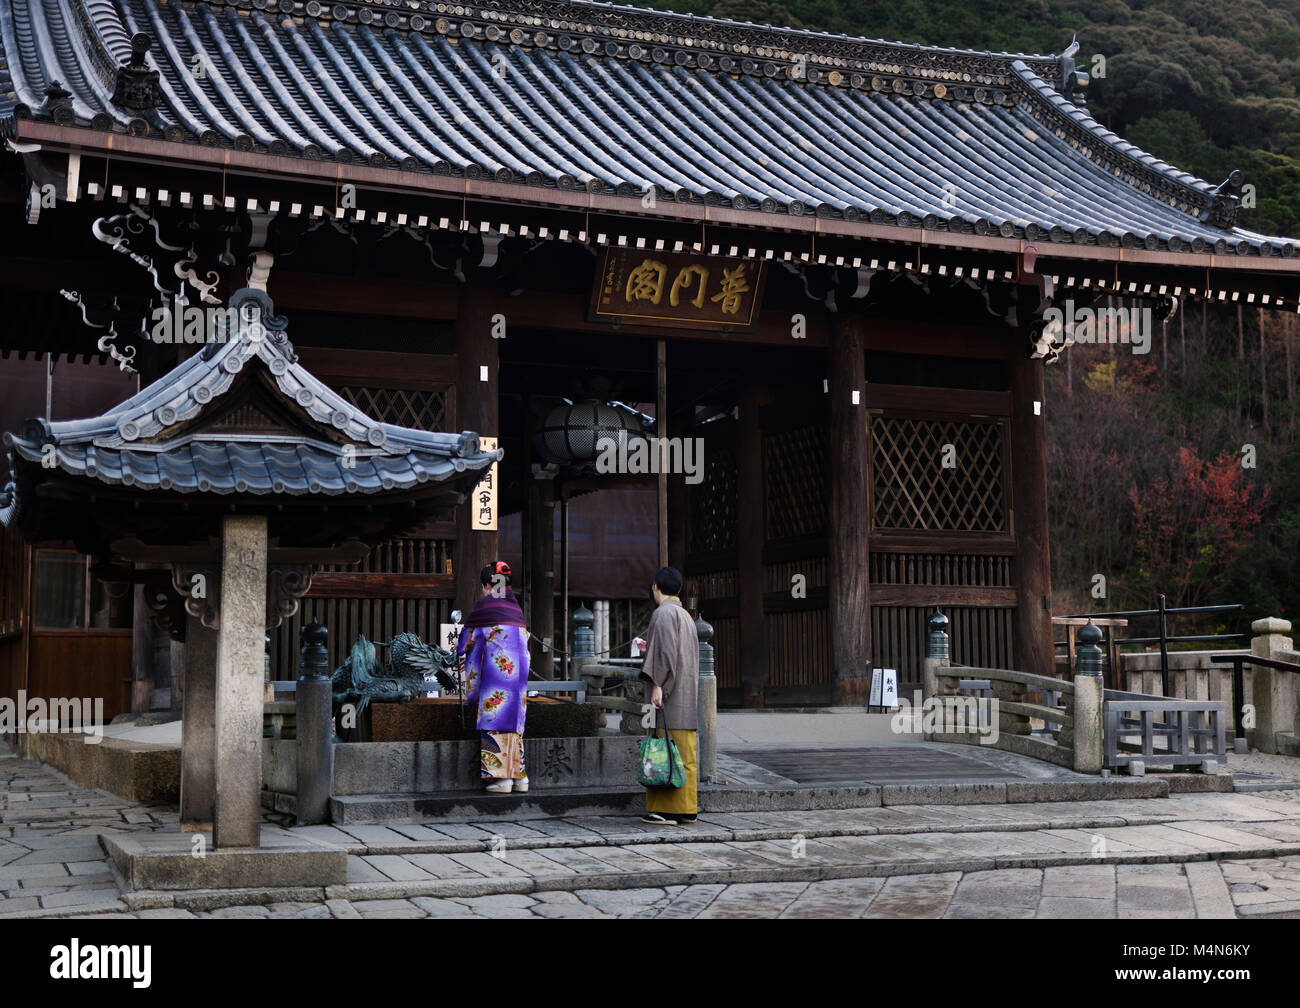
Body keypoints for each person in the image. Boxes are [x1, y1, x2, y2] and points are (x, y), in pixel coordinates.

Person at [458, 561, 530, 794]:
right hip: (518, 678)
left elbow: (467, 643)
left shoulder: (486, 607)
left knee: (495, 718)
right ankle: (519, 777)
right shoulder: (515, 608)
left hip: (498, 677)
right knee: (514, 723)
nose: (484, 591)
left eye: (484, 586)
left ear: (489, 584)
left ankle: (501, 779)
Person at [639, 565, 699, 825]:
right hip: (686, 696)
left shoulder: (662, 614)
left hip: (667, 697)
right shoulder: (685, 615)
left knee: (662, 752)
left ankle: (665, 809)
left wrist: (656, 684)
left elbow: (664, 655)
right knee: (684, 754)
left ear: (655, 587)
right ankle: (687, 808)